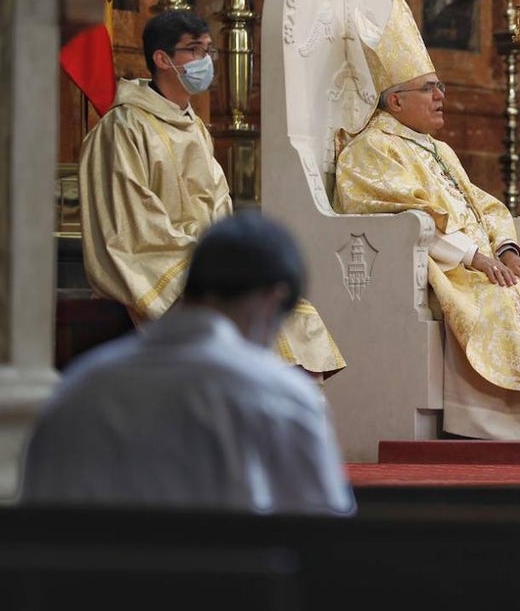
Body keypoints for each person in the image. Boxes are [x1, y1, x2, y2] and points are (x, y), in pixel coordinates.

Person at [333, 0, 520, 441]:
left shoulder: (438, 149)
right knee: (509, 301)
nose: (441, 96)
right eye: (429, 88)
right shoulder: (373, 149)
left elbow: (487, 207)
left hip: (479, 265)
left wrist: (508, 250)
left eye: (441, 87)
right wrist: (474, 257)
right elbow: (401, 215)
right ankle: (515, 420)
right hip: (438, 271)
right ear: (396, 100)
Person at [21, 212, 356, 515]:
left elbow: (38, 521)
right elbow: (322, 537)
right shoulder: (284, 398)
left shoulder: (79, 387)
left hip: (91, 582)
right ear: (274, 302)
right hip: (235, 581)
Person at [78, 10, 345, 380]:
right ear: (162, 59)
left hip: (204, 264)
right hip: (152, 269)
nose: (204, 61)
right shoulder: (122, 129)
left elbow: (219, 206)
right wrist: (207, 267)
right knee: (248, 317)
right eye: (192, 50)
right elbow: (129, 228)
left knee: (291, 311)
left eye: (207, 50)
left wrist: (227, 257)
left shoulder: (195, 128)